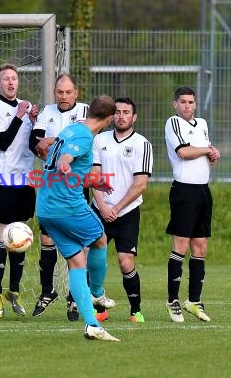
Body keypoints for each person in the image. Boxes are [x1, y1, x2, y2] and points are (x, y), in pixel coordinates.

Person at [36, 95, 120, 341]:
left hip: (46, 209)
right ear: (111, 118)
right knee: (101, 238)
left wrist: (96, 181)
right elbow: (66, 159)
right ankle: (96, 293)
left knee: (76, 263)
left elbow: (71, 169)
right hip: (68, 207)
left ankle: (92, 325)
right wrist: (64, 161)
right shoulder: (84, 137)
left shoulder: (71, 129)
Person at [29, 73, 90, 321]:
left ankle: (75, 298)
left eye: (68, 92)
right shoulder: (46, 112)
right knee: (47, 240)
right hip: (51, 185)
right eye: (59, 92)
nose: (63, 97)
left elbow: (85, 141)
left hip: (76, 184)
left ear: (76, 93)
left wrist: (54, 140)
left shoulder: (85, 111)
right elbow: (36, 143)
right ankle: (47, 291)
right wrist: (53, 142)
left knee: (81, 245)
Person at [91, 97, 153, 323]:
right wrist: (103, 204)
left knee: (125, 262)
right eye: (117, 112)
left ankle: (135, 309)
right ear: (111, 116)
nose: (121, 116)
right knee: (91, 257)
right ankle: (98, 308)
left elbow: (141, 184)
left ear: (134, 117)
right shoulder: (99, 140)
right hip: (99, 210)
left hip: (126, 212)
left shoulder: (142, 144)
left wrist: (116, 208)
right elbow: (93, 176)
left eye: (126, 112)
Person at [164, 86, 220, 323]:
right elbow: (184, 152)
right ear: (176, 104)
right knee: (181, 245)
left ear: (195, 104)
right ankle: (172, 301)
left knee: (201, 247)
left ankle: (194, 301)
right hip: (184, 191)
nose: (187, 106)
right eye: (183, 102)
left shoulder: (203, 123)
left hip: (202, 191)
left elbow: (202, 150)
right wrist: (206, 150)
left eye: (191, 102)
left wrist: (212, 152)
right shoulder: (173, 123)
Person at [0, 63, 38, 318]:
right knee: (5, 231)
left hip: (27, 178)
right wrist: (19, 116)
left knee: (21, 235)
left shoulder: (27, 108)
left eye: (14, 79)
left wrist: (33, 122)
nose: (10, 82)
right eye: (6, 79)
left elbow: (30, 145)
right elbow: (4, 143)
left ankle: (14, 292)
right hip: (4, 178)